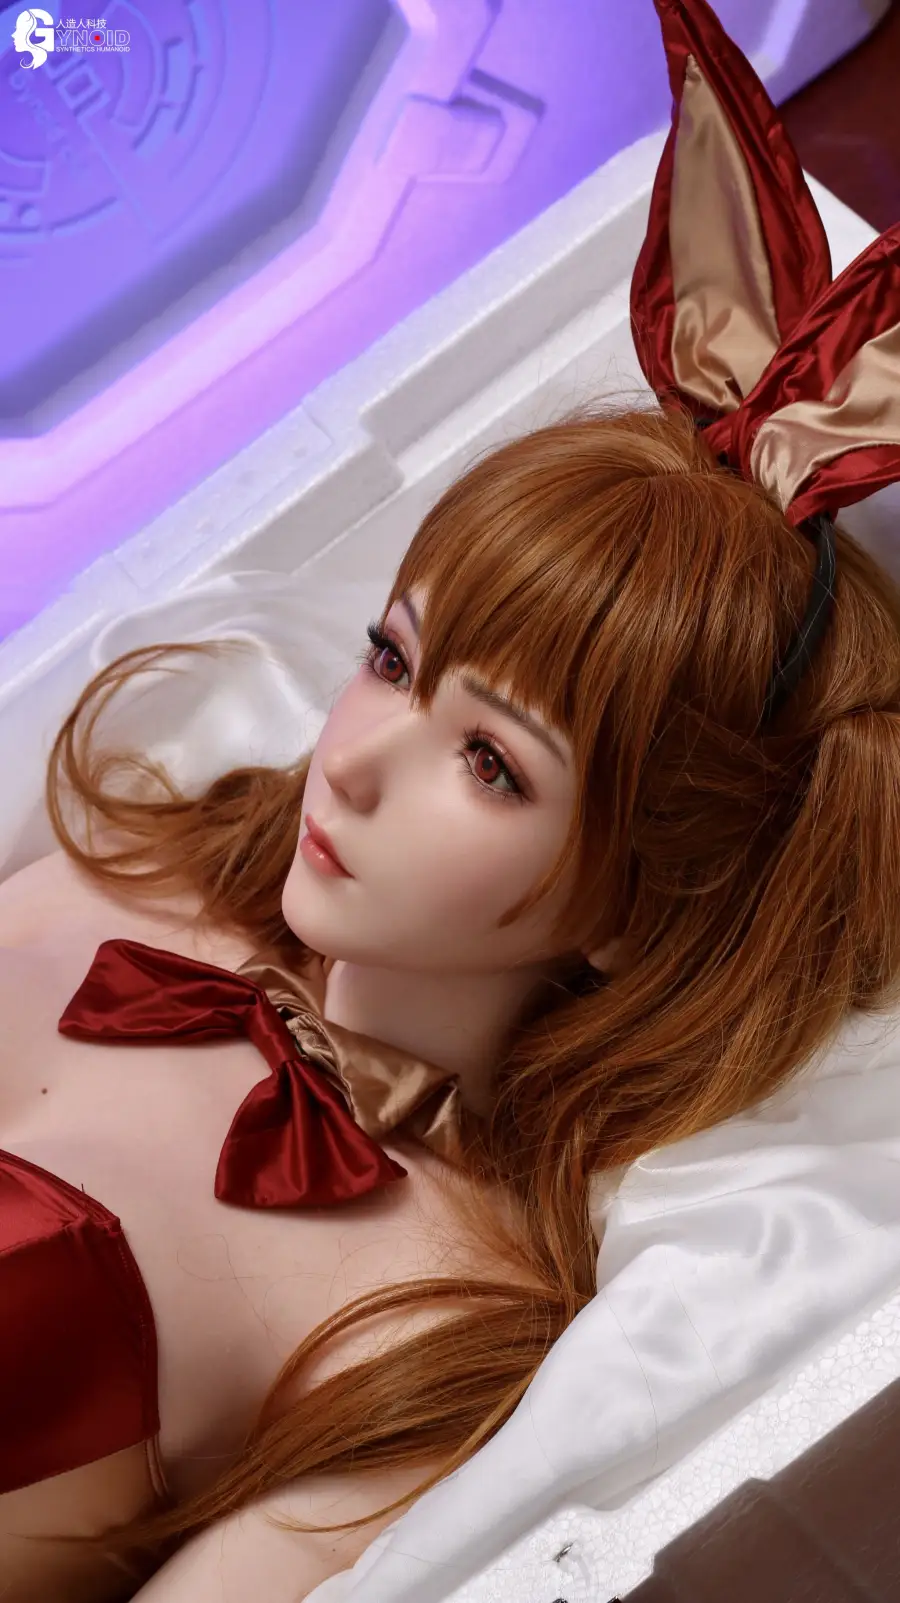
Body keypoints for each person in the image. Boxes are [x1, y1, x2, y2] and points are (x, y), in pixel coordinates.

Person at [3, 2, 900, 1599]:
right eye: (392, 659)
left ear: (638, 905)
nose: (350, 758)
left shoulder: (439, 1328)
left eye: (493, 763)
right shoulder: (119, 872)